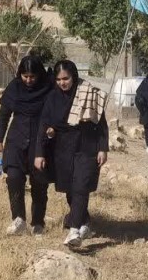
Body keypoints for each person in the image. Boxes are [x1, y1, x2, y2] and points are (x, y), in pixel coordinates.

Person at [37, 60, 108, 247]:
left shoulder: (87, 93)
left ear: (73, 76)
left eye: (66, 78)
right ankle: (84, 222)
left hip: (87, 145)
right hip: (63, 148)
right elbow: (44, 125)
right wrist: (40, 151)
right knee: (70, 189)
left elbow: (100, 122)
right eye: (59, 79)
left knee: (81, 186)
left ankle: (74, 230)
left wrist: (103, 148)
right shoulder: (52, 97)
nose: (62, 83)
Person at [0, 55, 53, 236]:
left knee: (39, 184)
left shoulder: (48, 89)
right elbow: (4, 116)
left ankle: (38, 223)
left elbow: (57, 113)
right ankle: (18, 219)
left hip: (40, 143)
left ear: (39, 75)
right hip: (16, 141)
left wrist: (53, 129)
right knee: (14, 178)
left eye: (32, 76)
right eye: (25, 76)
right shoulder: (14, 87)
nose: (28, 80)